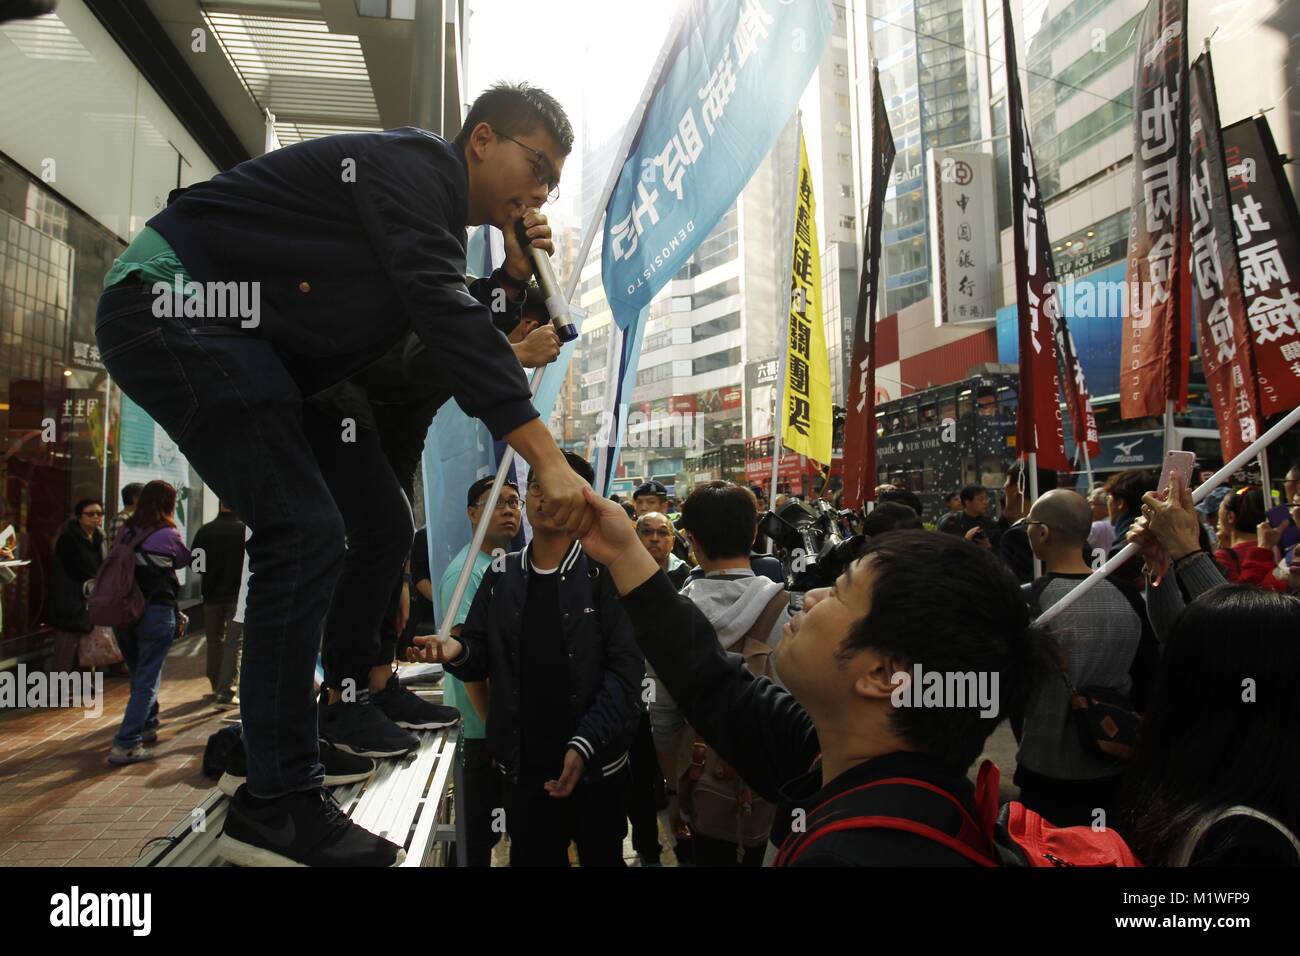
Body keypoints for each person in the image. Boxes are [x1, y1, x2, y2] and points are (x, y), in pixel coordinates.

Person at [98, 81, 595, 867]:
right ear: (482, 138)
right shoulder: (413, 166)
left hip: (266, 356)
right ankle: (279, 796)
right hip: (174, 303)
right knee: (304, 529)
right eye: (535, 166)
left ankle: (320, 721)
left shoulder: (425, 225)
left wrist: (509, 276)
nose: (540, 192)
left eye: (552, 185)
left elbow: (430, 337)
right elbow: (440, 310)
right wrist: (544, 457)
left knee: (375, 524)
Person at [576, 489, 1055, 866]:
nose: (813, 595)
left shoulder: (856, 853)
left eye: (842, 591)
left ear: (882, 674)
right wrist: (622, 552)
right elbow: (707, 677)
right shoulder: (825, 755)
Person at [415, 453, 643, 867]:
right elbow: (480, 655)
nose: (542, 497)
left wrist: (585, 742)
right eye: (535, 487)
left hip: (596, 768)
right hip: (523, 769)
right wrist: (457, 652)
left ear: (585, 501)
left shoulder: (605, 573)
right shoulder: (502, 573)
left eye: (557, 488)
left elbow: (626, 673)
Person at [1119, 481, 1300, 866]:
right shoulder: (1231, 826)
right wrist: (1163, 562)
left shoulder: (1248, 840)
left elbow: (1238, 642)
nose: (1292, 518)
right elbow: (1191, 635)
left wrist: (1187, 551)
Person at [651, 481, 792, 867]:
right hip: (774, 787)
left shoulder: (668, 618)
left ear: (690, 539)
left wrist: (674, 791)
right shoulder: (788, 609)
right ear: (753, 533)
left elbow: (662, 716)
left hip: (701, 783)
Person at [1016, 490, 1141, 827]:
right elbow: (1145, 674)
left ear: (1042, 533)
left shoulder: (1031, 600)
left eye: (1028, 524)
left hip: (1045, 764)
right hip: (1114, 755)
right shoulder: (1128, 595)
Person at [434, 475, 522, 867]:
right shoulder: (467, 573)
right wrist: (494, 730)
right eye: (497, 502)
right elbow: (467, 662)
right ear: (473, 514)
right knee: (474, 842)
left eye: (514, 501)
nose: (508, 509)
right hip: (480, 731)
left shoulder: (502, 566)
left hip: (497, 727)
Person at [108, 482, 193, 765]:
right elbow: (184, 559)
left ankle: (147, 724)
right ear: (167, 503)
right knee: (147, 678)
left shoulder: (125, 531)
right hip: (155, 611)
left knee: (139, 674)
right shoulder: (167, 533)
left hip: (123, 612)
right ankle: (126, 743)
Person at [191, 503, 246, 708]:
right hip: (236, 595)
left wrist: (213, 571)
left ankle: (216, 684)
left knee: (214, 641)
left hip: (211, 594)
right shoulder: (244, 531)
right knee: (234, 642)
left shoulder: (205, 531)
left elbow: (196, 564)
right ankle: (226, 691)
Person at [47, 498, 105, 674]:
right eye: (90, 514)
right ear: (79, 517)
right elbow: (80, 568)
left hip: (89, 599)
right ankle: (59, 687)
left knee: (87, 644)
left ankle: (85, 685)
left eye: (99, 513)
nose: (95, 517)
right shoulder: (68, 538)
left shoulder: (98, 538)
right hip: (70, 600)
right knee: (67, 645)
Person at [1214, 486, 1290, 592]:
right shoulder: (1277, 547)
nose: (1217, 522)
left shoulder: (1222, 556)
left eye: (1219, 513)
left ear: (1230, 517)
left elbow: (1242, 597)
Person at [636, 512, 690, 590]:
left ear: (673, 542)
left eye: (662, 533)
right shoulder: (621, 571)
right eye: (647, 531)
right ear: (636, 537)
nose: (654, 539)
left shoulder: (686, 576)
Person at [936, 484, 998, 549]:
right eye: (980, 499)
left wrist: (989, 547)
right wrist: (965, 542)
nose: (985, 502)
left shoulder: (990, 524)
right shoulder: (951, 523)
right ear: (967, 502)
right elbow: (942, 549)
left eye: (986, 498)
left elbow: (1000, 552)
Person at [1086, 485, 1115, 556]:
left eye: (1091, 503)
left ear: (1107, 507)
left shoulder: (1098, 527)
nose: (1088, 507)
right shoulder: (1115, 523)